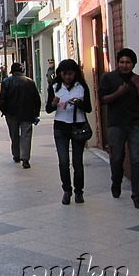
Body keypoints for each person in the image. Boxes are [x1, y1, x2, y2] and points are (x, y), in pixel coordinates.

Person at [99, 48, 139, 209]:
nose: (125, 65)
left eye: (128, 62)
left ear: (133, 64)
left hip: (134, 123)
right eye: (122, 62)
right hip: (116, 124)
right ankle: (116, 182)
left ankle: (137, 195)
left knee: (136, 159)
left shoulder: (138, 79)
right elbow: (102, 100)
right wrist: (119, 93)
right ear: (118, 62)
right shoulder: (108, 78)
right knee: (116, 157)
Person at [45, 59, 92, 205]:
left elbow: (89, 108)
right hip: (61, 127)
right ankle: (66, 190)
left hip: (78, 126)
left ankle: (79, 191)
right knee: (63, 161)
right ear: (60, 73)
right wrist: (53, 103)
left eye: (70, 74)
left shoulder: (82, 86)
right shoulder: (54, 87)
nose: (67, 77)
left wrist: (80, 104)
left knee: (77, 162)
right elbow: (48, 109)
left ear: (75, 73)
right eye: (64, 74)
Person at [0, 62, 41, 168]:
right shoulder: (30, 82)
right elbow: (37, 99)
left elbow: (2, 99)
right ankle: (25, 158)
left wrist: (4, 111)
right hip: (27, 113)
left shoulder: (6, 82)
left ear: (12, 72)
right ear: (22, 71)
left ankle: (16, 155)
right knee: (26, 135)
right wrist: (36, 113)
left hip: (11, 114)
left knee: (14, 134)